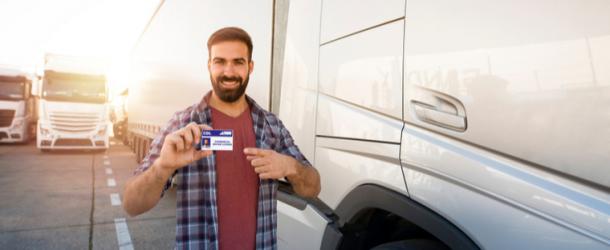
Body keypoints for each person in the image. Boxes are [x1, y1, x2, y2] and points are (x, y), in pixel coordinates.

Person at [122, 27, 321, 250]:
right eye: (220, 61)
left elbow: (313, 188)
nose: (229, 72)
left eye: (238, 62)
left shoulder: (271, 126)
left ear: (250, 67)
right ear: (209, 65)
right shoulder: (183, 124)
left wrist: (291, 166)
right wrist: (162, 167)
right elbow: (132, 204)